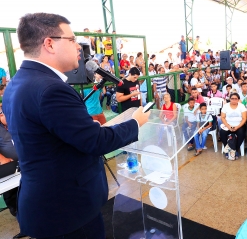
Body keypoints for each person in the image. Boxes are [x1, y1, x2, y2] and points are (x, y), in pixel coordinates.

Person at [2, 13, 150, 239]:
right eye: (72, 40)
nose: (80, 47)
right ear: (49, 43)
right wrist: (135, 122)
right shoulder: (50, 88)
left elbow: (48, 137)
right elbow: (96, 142)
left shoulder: (17, 83)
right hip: (66, 209)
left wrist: (80, 127)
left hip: (49, 203)